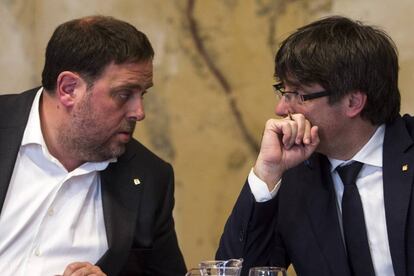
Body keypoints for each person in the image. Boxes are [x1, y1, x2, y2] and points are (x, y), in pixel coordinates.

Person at [216, 16, 414, 276]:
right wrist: (267, 173)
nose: (280, 109)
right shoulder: (293, 176)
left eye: (298, 94)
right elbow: (236, 271)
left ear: (353, 102)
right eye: (282, 90)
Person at [0, 15, 186, 276]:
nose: (139, 112)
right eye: (124, 94)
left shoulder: (149, 176)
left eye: (142, 94)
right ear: (68, 89)